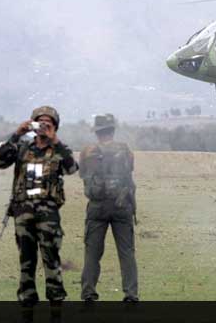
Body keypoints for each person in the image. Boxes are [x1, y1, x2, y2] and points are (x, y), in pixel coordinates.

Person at [0, 106, 78, 306]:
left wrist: (55, 140)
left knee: (51, 258)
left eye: (49, 123)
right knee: (26, 261)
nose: (43, 127)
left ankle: (56, 302)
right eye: (40, 122)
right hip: (23, 213)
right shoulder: (22, 147)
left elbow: (72, 168)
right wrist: (17, 134)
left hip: (48, 213)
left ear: (55, 127)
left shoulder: (59, 150)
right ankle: (27, 302)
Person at [79, 114, 138, 302]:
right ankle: (131, 294)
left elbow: (82, 174)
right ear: (113, 130)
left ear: (97, 133)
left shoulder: (87, 152)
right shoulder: (126, 150)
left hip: (97, 207)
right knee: (127, 252)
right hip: (122, 205)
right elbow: (130, 170)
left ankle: (89, 293)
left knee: (92, 253)